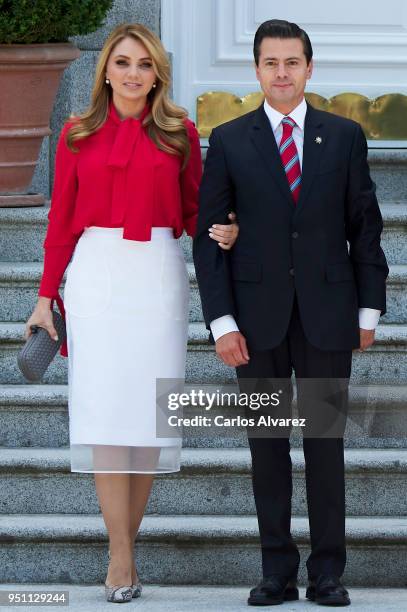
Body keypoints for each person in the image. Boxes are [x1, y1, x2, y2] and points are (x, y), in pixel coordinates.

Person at [24, 23, 238, 604]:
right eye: (123, 63)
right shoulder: (75, 134)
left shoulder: (181, 134)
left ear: (158, 74)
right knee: (104, 417)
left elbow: (196, 213)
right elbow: (61, 223)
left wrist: (228, 232)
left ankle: (125, 546)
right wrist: (46, 298)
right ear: (106, 71)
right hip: (96, 277)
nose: (133, 74)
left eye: (145, 65)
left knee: (146, 423)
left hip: (158, 278)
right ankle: (121, 556)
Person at [193, 19, 388, 607]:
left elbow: (365, 228)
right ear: (256, 70)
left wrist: (369, 310)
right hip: (255, 322)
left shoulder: (345, 136)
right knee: (267, 445)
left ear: (309, 68)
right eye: (270, 63)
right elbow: (209, 238)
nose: (282, 73)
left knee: (324, 443)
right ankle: (276, 570)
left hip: (329, 315)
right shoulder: (228, 140)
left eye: (292, 62)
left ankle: (328, 572)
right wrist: (222, 322)